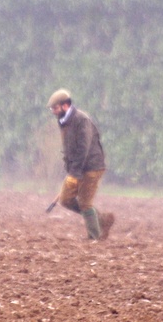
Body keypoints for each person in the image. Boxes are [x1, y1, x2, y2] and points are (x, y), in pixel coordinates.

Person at [47, 88, 114, 240]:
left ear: (65, 106)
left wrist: (75, 173)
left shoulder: (81, 120)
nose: (53, 112)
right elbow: (69, 147)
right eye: (52, 109)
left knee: (84, 202)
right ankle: (102, 220)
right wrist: (71, 169)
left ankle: (94, 237)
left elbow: (84, 148)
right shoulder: (63, 121)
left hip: (92, 167)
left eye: (55, 108)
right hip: (76, 168)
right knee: (65, 200)